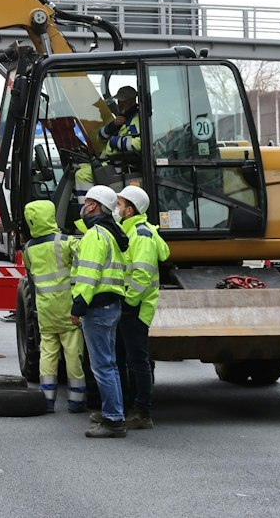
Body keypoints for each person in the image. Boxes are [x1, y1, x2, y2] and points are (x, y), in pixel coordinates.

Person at [69, 185, 131, 438]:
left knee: (102, 366)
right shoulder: (111, 233)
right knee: (110, 364)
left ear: (93, 206)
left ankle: (113, 420)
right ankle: (114, 414)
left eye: (86, 202)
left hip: (97, 307)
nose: (83, 207)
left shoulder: (95, 235)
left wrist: (78, 306)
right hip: (111, 305)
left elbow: (88, 275)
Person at [20, 200, 87, 414]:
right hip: (67, 309)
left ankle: (47, 399)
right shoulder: (65, 242)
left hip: (45, 309)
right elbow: (84, 258)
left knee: (47, 353)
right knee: (73, 354)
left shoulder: (28, 249)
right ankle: (76, 400)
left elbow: (30, 273)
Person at [115, 184, 168, 430]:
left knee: (138, 362)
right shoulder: (130, 230)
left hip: (135, 307)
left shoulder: (141, 235)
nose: (116, 208)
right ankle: (125, 409)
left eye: (119, 204)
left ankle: (142, 413)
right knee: (125, 359)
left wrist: (129, 302)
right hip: (129, 305)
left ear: (129, 210)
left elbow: (142, 274)